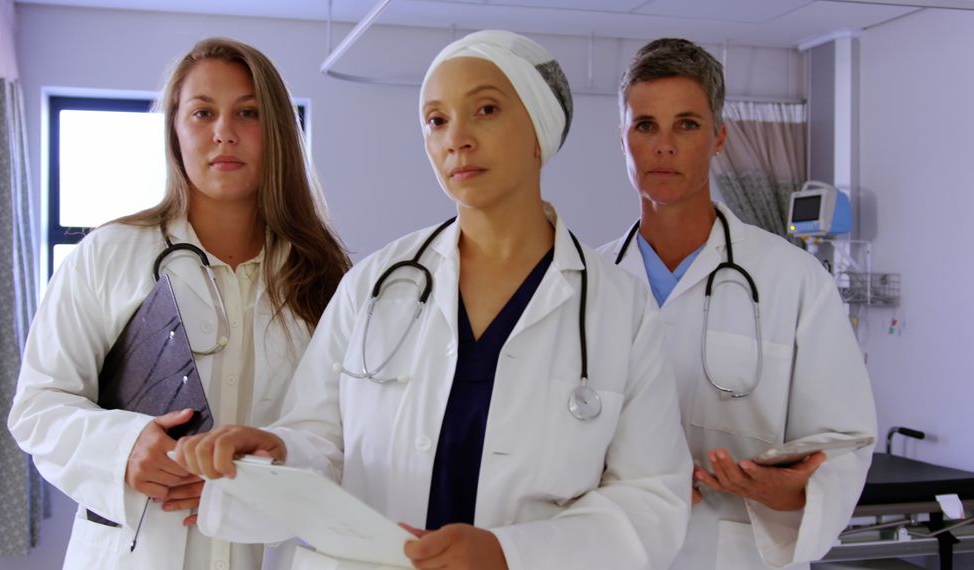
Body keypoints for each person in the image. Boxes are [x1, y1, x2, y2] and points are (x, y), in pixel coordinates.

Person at [173, 30, 692, 570]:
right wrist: (278, 451)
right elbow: (320, 438)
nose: (457, 139)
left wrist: (508, 553)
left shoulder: (618, 309)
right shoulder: (375, 285)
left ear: (540, 130)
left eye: (485, 109)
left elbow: (651, 497)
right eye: (436, 120)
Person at [8, 37, 350, 570]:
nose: (224, 132)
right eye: (202, 113)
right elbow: (39, 406)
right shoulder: (109, 255)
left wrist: (273, 466)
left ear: (279, 131)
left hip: (268, 553)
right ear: (174, 131)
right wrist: (122, 448)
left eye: (248, 112)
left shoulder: (329, 282)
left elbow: (343, 439)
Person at [600, 38, 877, 569]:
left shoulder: (794, 280)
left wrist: (789, 494)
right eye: (645, 126)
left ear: (719, 136)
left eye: (687, 124)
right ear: (623, 139)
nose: (664, 146)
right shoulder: (586, 282)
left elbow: (844, 441)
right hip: (616, 550)